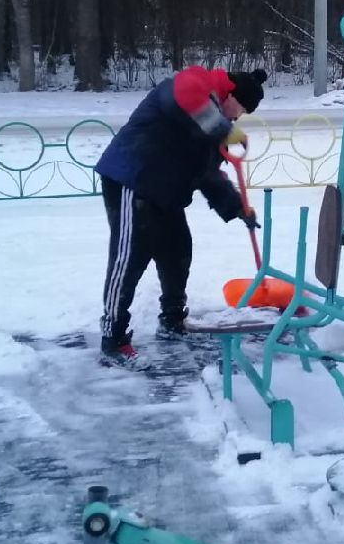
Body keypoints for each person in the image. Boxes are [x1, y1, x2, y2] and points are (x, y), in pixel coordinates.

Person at [94, 65, 267, 369]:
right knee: (129, 258)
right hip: (132, 177)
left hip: (166, 191)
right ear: (231, 95)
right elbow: (184, 96)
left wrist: (237, 207)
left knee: (177, 251)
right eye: (239, 110)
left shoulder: (213, 123)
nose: (237, 118)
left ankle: (172, 320)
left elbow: (208, 174)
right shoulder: (199, 82)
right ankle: (113, 338)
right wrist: (224, 130)